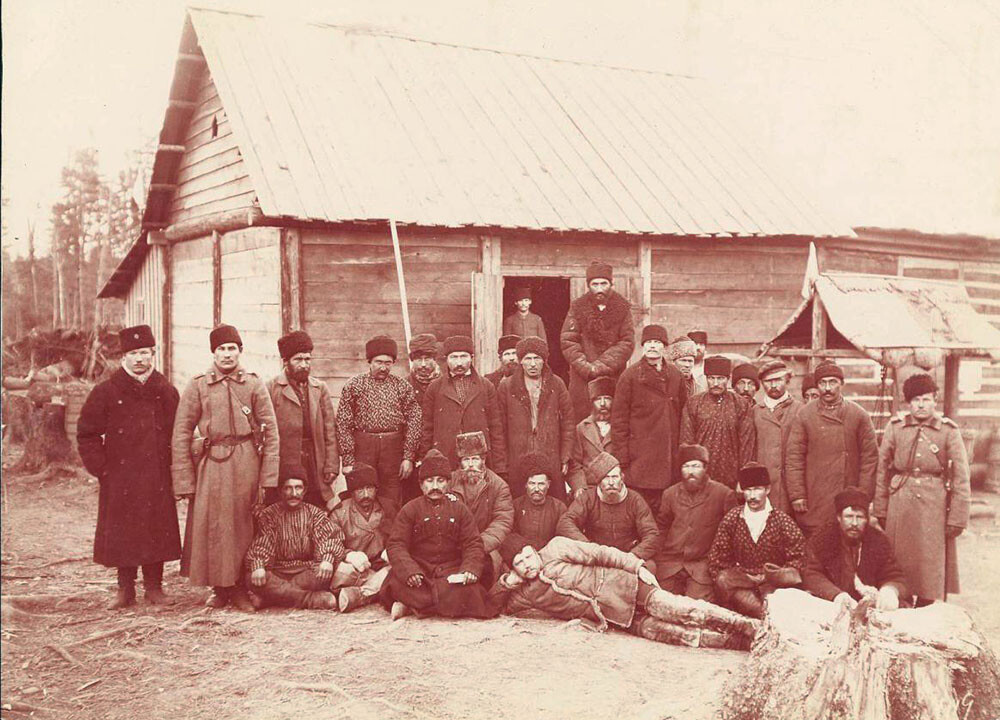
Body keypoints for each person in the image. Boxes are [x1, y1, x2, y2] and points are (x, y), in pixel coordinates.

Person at [171, 324, 280, 611]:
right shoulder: (198, 385)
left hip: (246, 461)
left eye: (232, 348)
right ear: (214, 353)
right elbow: (182, 431)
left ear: (240, 351)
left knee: (245, 525)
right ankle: (219, 588)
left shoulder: (254, 384)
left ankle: (242, 588)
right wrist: (184, 480)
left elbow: (271, 432)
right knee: (215, 526)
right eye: (221, 349)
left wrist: (268, 477)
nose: (227, 354)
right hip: (212, 464)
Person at [492, 534, 758, 650]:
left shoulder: (556, 548)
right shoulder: (525, 592)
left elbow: (601, 552)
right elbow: (497, 606)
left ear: (532, 549)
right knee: (676, 635)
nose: (526, 565)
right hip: (617, 617)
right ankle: (738, 643)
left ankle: (748, 626)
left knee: (680, 609)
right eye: (519, 564)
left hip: (626, 586)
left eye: (526, 556)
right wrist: (507, 582)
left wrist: (637, 566)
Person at [77, 325, 181, 609]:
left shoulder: (165, 391)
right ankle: (125, 590)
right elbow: (87, 433)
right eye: (133, 353)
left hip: (157, 475)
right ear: (123, 357)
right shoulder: (106, 391)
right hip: (120, 477)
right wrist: (102, 469)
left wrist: (175, 469)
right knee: (123, 532)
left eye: (144, 353)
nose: (139, 359)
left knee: (155, 529)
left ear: (153, 354)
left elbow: (179, 433)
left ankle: (155, 588)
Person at [873, 372, 970, 604]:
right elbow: (882, 470)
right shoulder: (896, 428)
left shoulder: (948, 431)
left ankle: (927, 604)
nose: (921, 405)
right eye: (916, 400)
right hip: (900, 502)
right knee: (897, 560)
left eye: (926, 399)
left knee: (929, 563)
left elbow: (961, 477)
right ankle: (900, 600)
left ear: (935, 400)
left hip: (933, 504)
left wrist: (958, 517)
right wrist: (881, 508)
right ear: (908, 403)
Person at [380, 449, 498, 620]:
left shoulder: (459, 508)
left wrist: (469, 569)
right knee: (398, 584)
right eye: (429, 481)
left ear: (447, 483)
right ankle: (425, 604)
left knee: (473, 591)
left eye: (440, 481)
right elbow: (396, 544)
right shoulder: (410, 509)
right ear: (421, 485)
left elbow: (472, 542)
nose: (435, 486)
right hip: (420, 572)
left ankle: (416, 607)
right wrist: (410, 571)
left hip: (451, 571)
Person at [785, 361, 878, 536]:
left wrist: (863, 496)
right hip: (815, 495)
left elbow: (870, 459)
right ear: (817, 385)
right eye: (822, 383)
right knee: (817, 541)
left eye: (833, 382)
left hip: (848, 494)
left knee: (847, 541)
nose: (827, 388)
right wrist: (797, 495)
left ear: (842, 384)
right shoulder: (805, 415)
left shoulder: (859, 415)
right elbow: (794, 458)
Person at [708, 463, 806, 618]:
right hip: (743, 582)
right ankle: (763, 614)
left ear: (767, 490)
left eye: (757, 489)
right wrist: (741, 575)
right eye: (748, 490)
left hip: (772, 584)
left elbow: (799, 557)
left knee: (779, 598)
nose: (752, 496)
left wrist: (776, 575)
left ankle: (764, 614)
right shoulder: (733, 519)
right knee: (723, 580)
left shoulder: (781, 520)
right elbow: (717, 559)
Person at [336, 335, 422, 506]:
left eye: (388, 363)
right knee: (362, 493)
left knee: (392, 496)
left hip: (393, 449)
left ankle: (390, 532)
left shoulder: (402, 386)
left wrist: (408, 457)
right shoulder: (354, 385)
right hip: (364, 448)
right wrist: (347, 459)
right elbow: (343, 423)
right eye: (378, 362)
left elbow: (414, 420)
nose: (383, 367)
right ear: (369, 361)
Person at [611, 324, 688, 514]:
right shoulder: (630, 376)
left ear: (665, 347)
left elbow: (683, 415)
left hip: (668, 457)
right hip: (641, 459)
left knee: (666, 512)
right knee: (641, 513)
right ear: (643, 347)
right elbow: (619, 421)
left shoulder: (675, 376)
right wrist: (622, 459)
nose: (652, 346)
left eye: (657, 342)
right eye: (648, 342)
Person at [245, 469, 347, 610]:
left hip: (306, 571)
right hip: (277, 572)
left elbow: (329, 538)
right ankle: (310, 600)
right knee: (252, 577)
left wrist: (327, 559)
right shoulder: (269, 515)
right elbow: (262, 543)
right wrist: (258, 565)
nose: (294, 493)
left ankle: (271, 598)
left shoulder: (315, 514)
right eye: (288, 488)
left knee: (327, 570)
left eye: (298, 488)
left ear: (304, 490)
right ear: (280, 491)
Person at [654, 444, 739, 601]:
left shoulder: (723, 494)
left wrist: (717, 560)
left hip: (702, 565)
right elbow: (662, 528)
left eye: (695, 466)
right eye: (686, 466)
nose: (691, 472)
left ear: (705, 468)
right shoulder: (670, 494)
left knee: (697, 608)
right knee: (664, 603)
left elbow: (732, 534)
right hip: (671, 563)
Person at [496, 336, 573, 500]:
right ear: (520, 361)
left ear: (544, 360)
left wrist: (565, 456)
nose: (532, 364)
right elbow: (499, 428)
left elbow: (568, 422)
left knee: (553, 501)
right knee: (518, 501)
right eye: (527, 359)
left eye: (537, 358)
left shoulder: (556, 384)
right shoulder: (507, 386)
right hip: (518, 456)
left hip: (549, 454)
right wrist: (502, 464)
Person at [268, 330, 339, 509]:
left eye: (307, 359)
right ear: (286, 362)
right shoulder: (272, 388)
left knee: (315, 507)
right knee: (284, 508)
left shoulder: (319, 388)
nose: (304, 365)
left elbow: (330, 431)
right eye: (298, 360)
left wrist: (331, 465)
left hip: (314, 461)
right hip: (286, 461)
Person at [802, 488, 906, 610]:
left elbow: (894, 575)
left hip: (868, 606)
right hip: (831, 603)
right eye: (849, 516)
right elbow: (812, 574)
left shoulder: (878, 542)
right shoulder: (822, 540)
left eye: (860, 517)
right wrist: (836, 595)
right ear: (839, 517)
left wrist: (890, 590)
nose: (854, 523)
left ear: (867, 519)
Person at [419, 335, 507, 475]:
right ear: (446, 359)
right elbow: (427, 427)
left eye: (463, 356)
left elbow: (496, 427)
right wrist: (425, 457)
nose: (459, 362)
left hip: (478, 457)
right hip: (446, 455)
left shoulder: (486, 386)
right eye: (454, 357)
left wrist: (499, 465)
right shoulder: (434, 388)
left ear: (471, 358)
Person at [561, 260, 635, 422]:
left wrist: (601, 366)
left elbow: (627, 342)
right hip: (583, 377)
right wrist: (586, 367)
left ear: (611, 284)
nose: (599, 288)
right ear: (589, 286)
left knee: (613, 419)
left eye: (604, 283)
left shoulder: (622, 308)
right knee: (582, 422)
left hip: (613, 375)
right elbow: (568, 340)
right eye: (595, 284)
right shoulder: (577, 307)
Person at [556, 452, 659, 565]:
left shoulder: (635, 500)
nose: (611, 483)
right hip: (596, 556)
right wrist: (589, 547)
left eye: (615, 477)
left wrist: (634, 555)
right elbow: (565, 523)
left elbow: (652, 534)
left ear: (622, 479)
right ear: (599, 482)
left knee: (650, 567)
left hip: (628, 554)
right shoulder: (588, 498)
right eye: (606, 478)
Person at [680, 355, 756, 490]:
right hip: (701, 476)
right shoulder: (694, 403)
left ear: (728, 379)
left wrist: (743, 478)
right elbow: (687, 442)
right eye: (711, 378)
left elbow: (746, 446)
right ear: (706, 379)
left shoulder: (740, 405)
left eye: (720, 378)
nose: (715, 383)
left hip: (731, 477)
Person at [328, 463, 395, 612]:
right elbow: (329, 543)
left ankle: (360, 595)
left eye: (369, 488)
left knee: (393, 572)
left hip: (380, 566)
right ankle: (376, 590)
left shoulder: (388, 509)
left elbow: (401, 536)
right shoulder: (340, 513)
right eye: (359, 490)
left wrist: (392, 550)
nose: (365, 494)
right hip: (354, 568)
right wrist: (348, 554)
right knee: (341, 573)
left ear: (376, 489)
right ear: (351, 492)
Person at [448, 431, 514, 579]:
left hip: (485, 547)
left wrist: (477, 546)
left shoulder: (498, 486)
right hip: (452, 547)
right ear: (460, 462)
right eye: (466, 460)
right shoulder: (449, 482)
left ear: (483, 460)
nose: (471, 465)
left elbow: (502, 522)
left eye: (475, 459)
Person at [751, 360, 803, 514]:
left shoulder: (800, 410)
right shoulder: (755, 412)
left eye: (778, 380)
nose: (773, 386)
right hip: (763, 486)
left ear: (787, 380)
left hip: (790, 487)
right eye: (768, 381)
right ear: (762, 383)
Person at [567, 377, 615, 498]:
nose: (603, 403)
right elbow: (575, 465)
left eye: (607, 399)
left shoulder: (622, 428)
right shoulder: (581, 429)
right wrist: (579, 487)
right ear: (592, 402)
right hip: (589, 488)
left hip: (616, 487)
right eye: (598, 399)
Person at [510, 451, 568, 551]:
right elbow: (510, 536)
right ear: (526, 484)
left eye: (541, 484)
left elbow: (563, 539)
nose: (536, 489)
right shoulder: (515, 506)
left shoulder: (559, 508)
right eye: (532, 483)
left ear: (548, 484)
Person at [406, 333, 441, 408]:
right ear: (412, 360)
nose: (423, 364)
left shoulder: (445, 383)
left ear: (434, 359)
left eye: (427, 359)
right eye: (418, 359)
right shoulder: (405, 385)